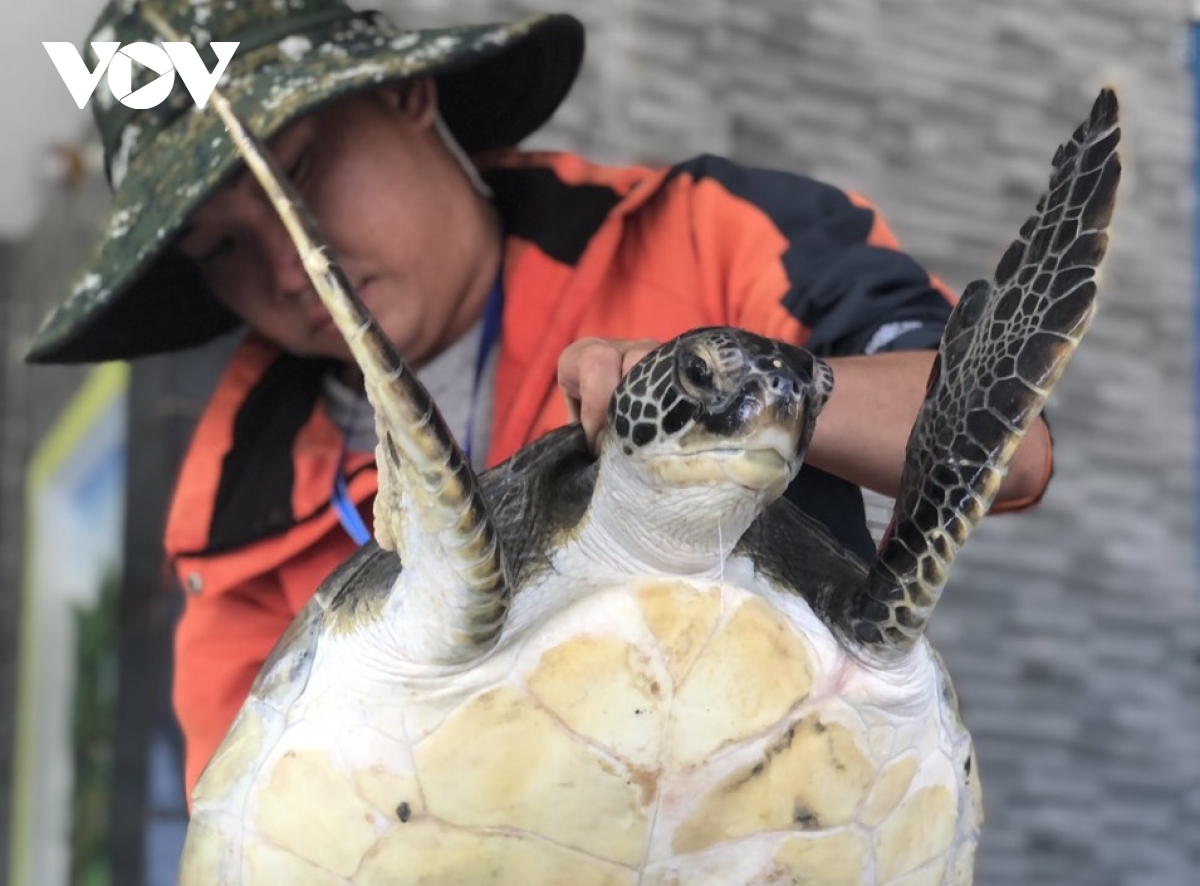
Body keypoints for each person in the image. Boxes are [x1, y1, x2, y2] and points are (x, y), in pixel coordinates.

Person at [29, 0, 1053, 800]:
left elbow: (1013, 448)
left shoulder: (706, 234)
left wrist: (716, 392)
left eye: (298, 179)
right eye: (221, 249)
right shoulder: (229, 522)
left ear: (408, 98)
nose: (287, 269)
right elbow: (254, 823)